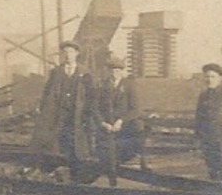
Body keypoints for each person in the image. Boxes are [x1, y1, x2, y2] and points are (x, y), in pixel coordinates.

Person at [30, 40, 95, 177]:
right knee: (56, 142)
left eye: (71, 52)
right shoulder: (56, 72)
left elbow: (90, 96)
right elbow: (47, 92)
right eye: (65, 52)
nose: (68, 55)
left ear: (77, 54)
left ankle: (76, 173)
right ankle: (53, 172)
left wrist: (86, 115)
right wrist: (42, 110)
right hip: (58, 114)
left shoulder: (85, 73)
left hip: (76, 115)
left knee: (75, 144)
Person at [93, 55, 148, 185]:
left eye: (117, 71)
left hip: (125, 125)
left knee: (127, 149)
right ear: (108, 71)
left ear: (122, 72)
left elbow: (135, 109)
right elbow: (95, 108)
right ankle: (112, 181)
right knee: (107, 155)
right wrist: (103, 123)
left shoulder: (129, 85)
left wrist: (121, 121)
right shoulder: (102, 86)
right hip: (107, 126)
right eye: (112, 70)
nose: (114, 73)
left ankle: (139, 165)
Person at [194, 63, 222, 182]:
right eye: (207, 76)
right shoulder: (203, 95)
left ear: (220, 78)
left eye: (213, 76)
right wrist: (198, 137)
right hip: (207, 138)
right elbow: (198, 117)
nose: (209, 80)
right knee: (213, 171)